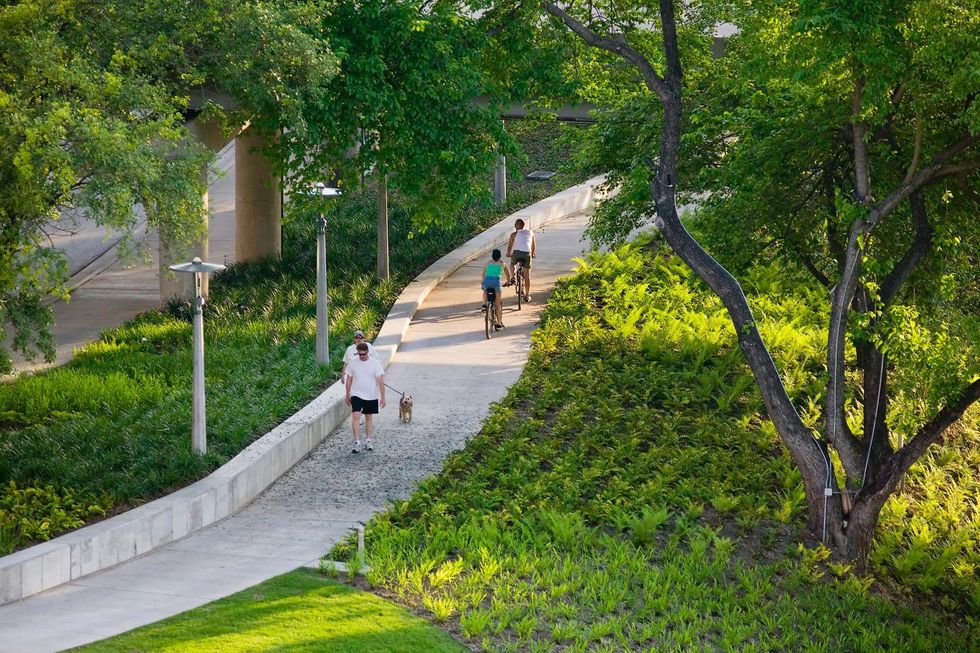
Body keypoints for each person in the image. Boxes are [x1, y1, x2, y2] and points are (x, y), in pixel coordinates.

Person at [345, 342, 385, 453]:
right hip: (356, 393)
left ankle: (368, 440)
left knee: (368, 417)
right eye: (360, 354)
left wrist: (383, 397)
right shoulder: (353, 363)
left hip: (371, 394)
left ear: (368, 352)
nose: (362, 356)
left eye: (364, 354)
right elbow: (349, 379)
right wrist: (347, 394)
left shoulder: (375, 363)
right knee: (356, 415)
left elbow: (381, 381)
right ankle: (357, 441)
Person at [481, 249, 512, 330]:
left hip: (487, 281)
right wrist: (508, 282)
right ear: (500, 256)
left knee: (485, 290)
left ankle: (484, 304)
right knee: (497, 304)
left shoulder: (487, 263)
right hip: (496, 283)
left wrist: (484, 281)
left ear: (492, 256)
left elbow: (483, 274)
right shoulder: (502, 264)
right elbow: (508, 275)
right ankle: (499, 323)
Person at [506, 218, 535, 301]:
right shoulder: (530, 232)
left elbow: (510, 246)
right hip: (527, 253)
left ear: (515, 226)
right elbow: (533, 245)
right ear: (523, 226)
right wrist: (532, 254)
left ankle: (513, 277)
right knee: (527, 276)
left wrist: (508, 253)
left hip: (517, 253)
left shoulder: (514, 234)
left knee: (512, 264)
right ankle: (527, 295)